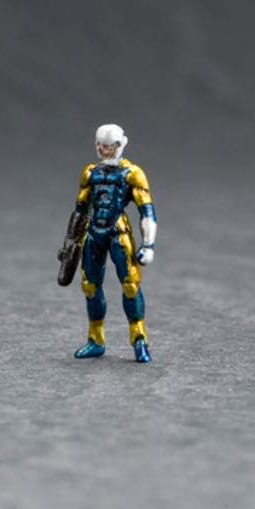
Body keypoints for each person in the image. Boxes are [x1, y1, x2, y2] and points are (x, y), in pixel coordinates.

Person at [59, 124, 157, 362]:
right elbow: (80, 210)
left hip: (117, 232)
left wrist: (148, 245)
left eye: (110, 146)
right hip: (94, 232)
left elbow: (147, 211)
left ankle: (139, 340)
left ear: (120, 145)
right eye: (102, 146)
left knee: (130, 285)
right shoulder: (90, 173)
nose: (105, 150)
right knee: (90, 286)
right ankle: (96, 339)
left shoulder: (132, 174)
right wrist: (69, 242)